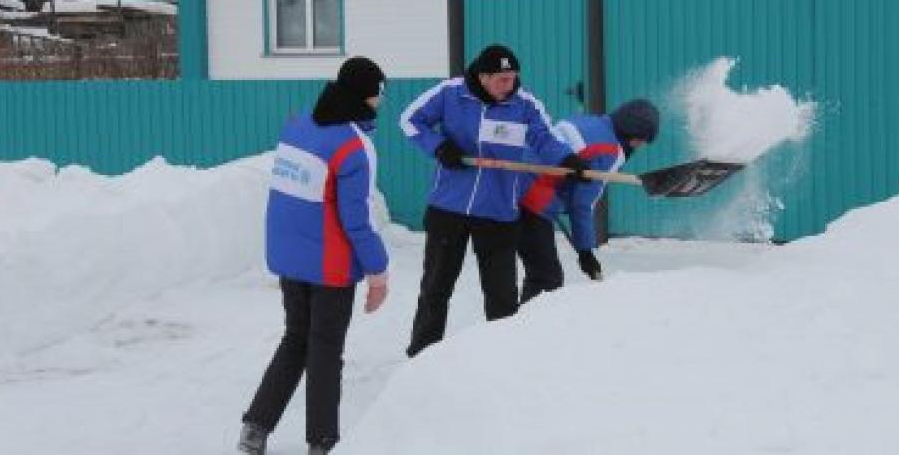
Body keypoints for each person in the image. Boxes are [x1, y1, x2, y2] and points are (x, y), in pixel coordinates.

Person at [238, 57, 390, 455]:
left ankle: (254, 429)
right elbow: (357, 218)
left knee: (295, 341)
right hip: (329, 265)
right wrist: (378, 270)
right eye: (379, 93)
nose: (381, 101)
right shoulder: (354, 146)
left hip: (291, 258)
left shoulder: (299, 123)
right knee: (324, 351)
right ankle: (322, 442)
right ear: (365, 95)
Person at [399, 44, 587, 357]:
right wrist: (439, 146)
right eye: (502, 79)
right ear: (483, 77)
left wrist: (569, 160)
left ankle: (501, 359)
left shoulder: (524, 104)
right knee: (435, 288)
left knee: (501, 295)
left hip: (498, 211)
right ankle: (420, 355)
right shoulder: (450, 93)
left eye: (513, 78)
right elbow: (409, 120)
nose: (509, 85)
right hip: (448, 207)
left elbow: (544, 137)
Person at [516, 99, 660, 302]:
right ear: (633, 135)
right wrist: (586, 252)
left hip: (511, 185)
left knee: (517, 271)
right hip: (532, 200)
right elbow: (582, 203)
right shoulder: (610, 151)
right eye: (643, 140)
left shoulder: (587, 122)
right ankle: (523, 331)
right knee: (546, 280)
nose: (642, 145)